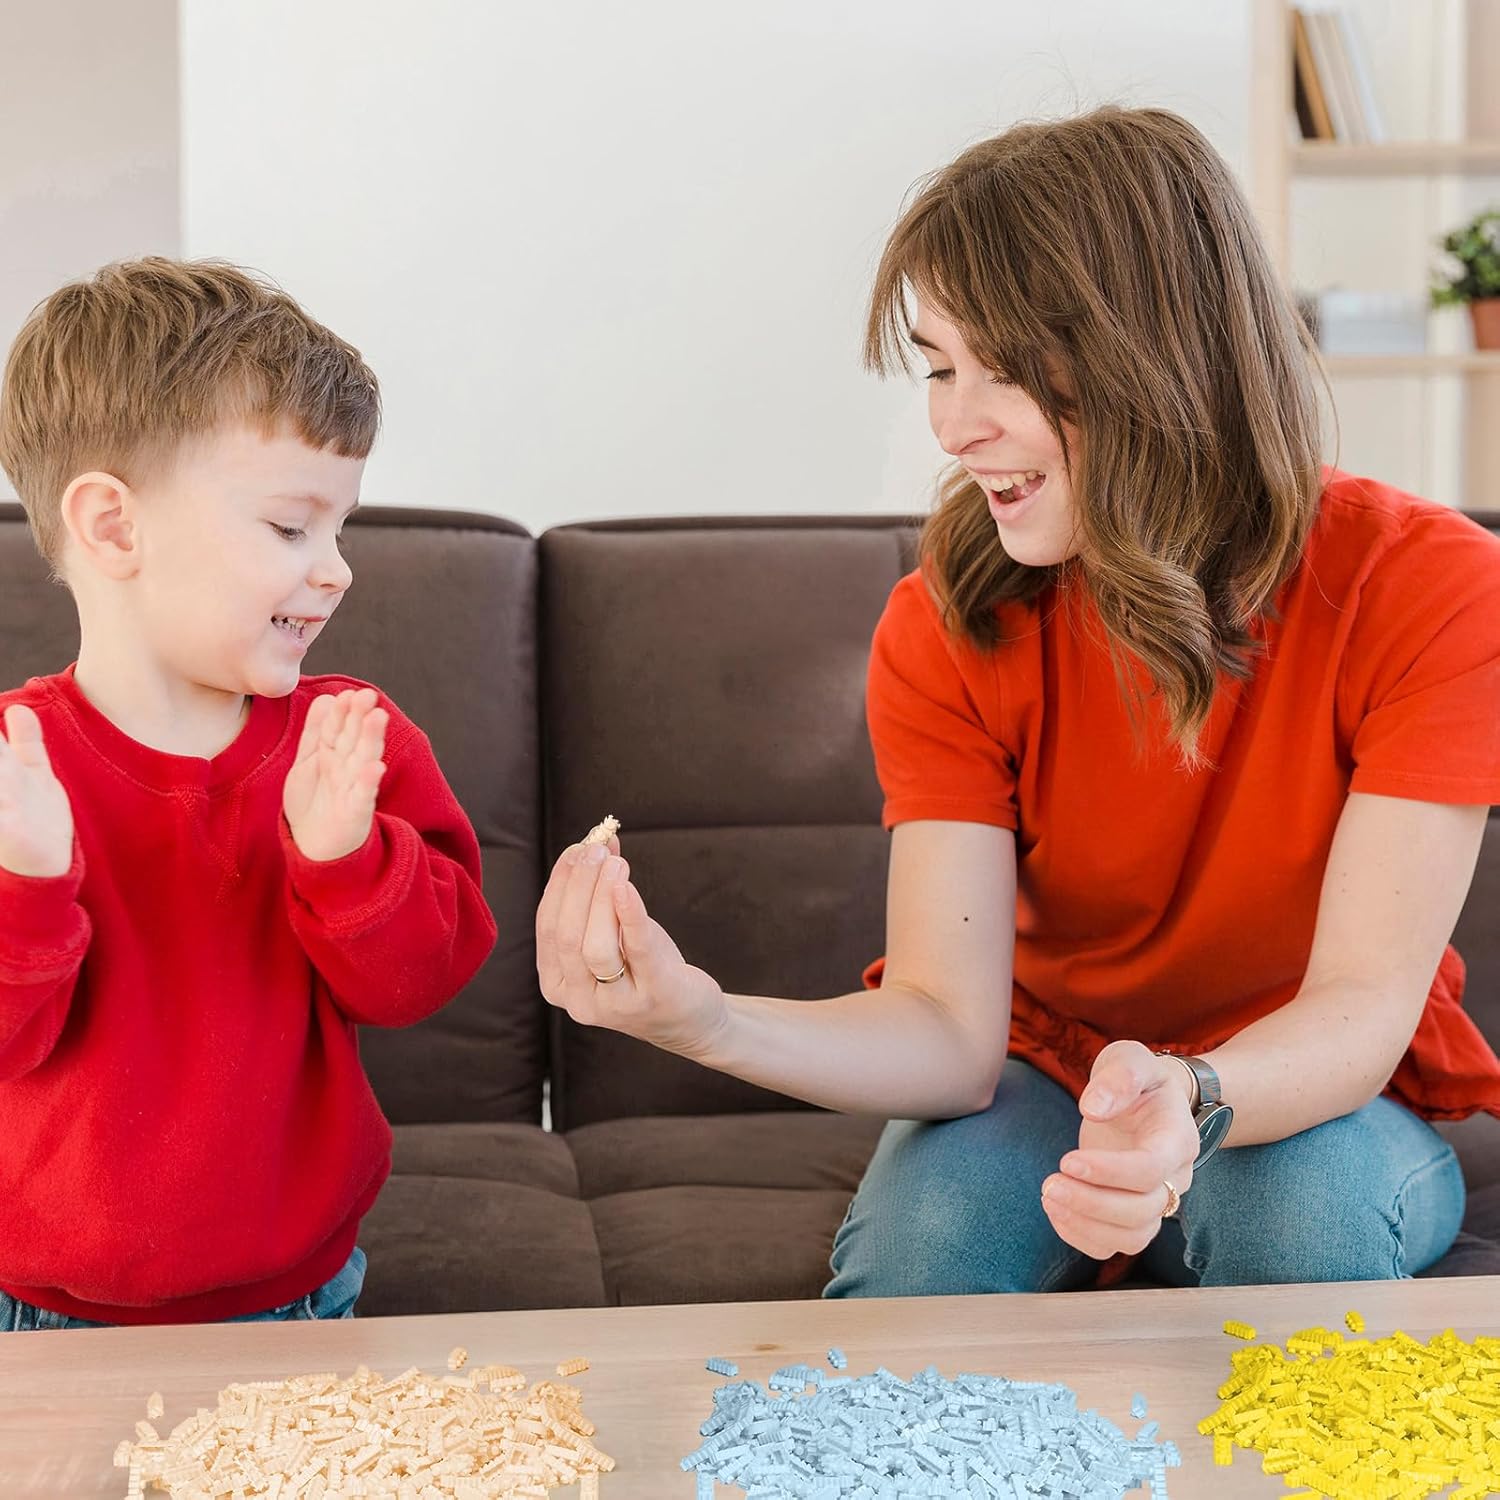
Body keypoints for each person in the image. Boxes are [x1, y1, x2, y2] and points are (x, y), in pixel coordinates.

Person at [536, 106, 1500, 1294]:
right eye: (941, 367)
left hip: (1306, 1092)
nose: (954, 425)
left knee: (1292, 1218)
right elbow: (949, 1031)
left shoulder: (1432, 588)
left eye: (1004, 369)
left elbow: (1359, 1005)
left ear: (1158, 354)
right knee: (924, 1254)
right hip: (1042, 1076)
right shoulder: (946, 624)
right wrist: (698, 1018)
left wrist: (1191, 1096)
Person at [0, 258, 497, 1327]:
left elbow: (421, 983)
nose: (337, 569)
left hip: (302, 1296)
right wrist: (26, 890)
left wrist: (347, 863)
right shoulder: (14, 773)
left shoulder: (347, 739)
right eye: (289, 528)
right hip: (37, 1317)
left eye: (339, 527)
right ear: (114, 527)